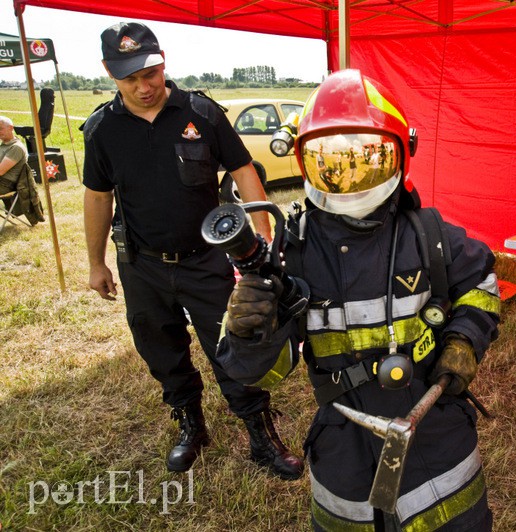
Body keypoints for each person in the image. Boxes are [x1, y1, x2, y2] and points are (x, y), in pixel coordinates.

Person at [217, 69, 501, 529]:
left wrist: (465, 339)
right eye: (330, 161)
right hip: (343, 441)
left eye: (366, 158)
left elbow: (481, 282)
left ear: (399, 154)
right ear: (305, 163)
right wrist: (250, 335)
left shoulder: (429, 238)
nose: (348, 178)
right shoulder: (294, 255)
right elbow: (258, 373)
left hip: (434, 423)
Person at [81, 21, 303, 479]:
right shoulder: (102, 129)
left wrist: (262, 236)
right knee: (162, 351)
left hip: (206, 261)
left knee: (235, 346)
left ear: (163, 62)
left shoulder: (200, 113)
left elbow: (243, 170)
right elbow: (98, 196)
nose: (145, 87)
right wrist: (96, 262)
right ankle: (190, 425)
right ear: (109, 72)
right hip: (142, 265)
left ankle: (261, 435)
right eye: (131, 79)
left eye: (152, 73)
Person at [0, 116, 27, 196]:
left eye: (0, 128)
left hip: (5, 184)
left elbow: (0, 171)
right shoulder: (5, 145)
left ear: (11, 128)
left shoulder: (16, 147)